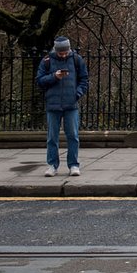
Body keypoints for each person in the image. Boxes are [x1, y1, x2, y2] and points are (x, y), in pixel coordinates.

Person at [35, 35, 89, 177]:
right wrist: (54, 77)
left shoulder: (77, 60)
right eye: (61, 53)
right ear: (56, 51)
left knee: (73, 136)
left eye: (65, 52)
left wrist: (77, 94)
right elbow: (39, 81)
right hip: (53, 105)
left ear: (69, 49)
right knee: (52, 137)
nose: (63, 55)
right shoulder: (46, 61)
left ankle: (73, 165)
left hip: (71, 104)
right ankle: (52, 165)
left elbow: (84, 80)